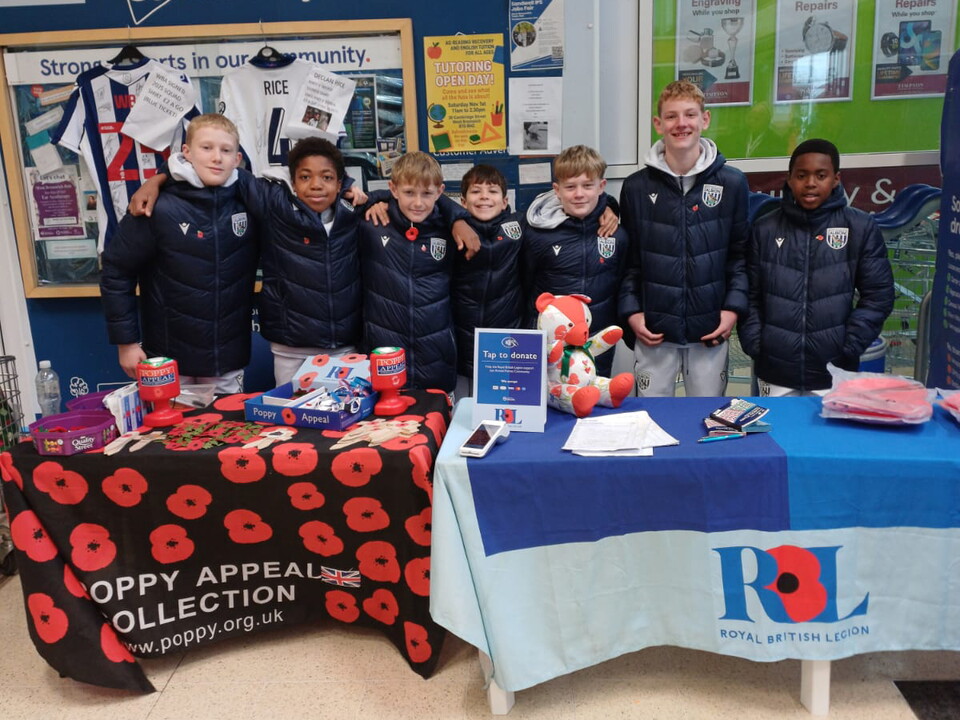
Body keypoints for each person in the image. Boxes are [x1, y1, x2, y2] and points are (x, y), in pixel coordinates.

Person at [129, 139, 478, 386]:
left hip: (346, 347)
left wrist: (458, 215)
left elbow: (415, 198)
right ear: (292, 183)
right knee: (299, 434)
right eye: (306, 177)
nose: (316, 185)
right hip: (290, 348)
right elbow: (220, 171)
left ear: (341, 183)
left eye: (327, 178)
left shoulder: (358, 214)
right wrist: (159, 178)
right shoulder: (276, 208)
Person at [100, 113, 258, 393]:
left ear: (237, 158)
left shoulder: (251, 200)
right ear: (186, 152)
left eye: (226, 150)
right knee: (168, 436)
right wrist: (126, 342)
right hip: (168, 362)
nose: (216, 158)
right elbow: (116, 270)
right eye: (206, 148)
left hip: (227, 361)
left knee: (228, 434)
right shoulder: (157, 206)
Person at [618, 80, 749, 397]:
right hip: (654, 330)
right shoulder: (636, 187)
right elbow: (628, 262)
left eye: (690, 115)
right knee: (651, 418)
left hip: (710, 330)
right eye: (672, 116)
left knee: (706, 418)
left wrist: (731, 311)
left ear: (705, 119)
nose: (681, 124)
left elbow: (740, 256)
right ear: (658, 124)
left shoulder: (732, 183)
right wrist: (633, 315)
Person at [738, 138, 894, 395]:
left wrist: (850, 344)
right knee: (775, 434)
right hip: (775, 370)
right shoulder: (764, 229)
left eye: (821, 175)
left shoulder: (859, 227)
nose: (810, 183)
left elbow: (879, 295)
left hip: (834, 372)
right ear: (789, 179)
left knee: (828, 436)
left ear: (836, 179)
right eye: (802, 175)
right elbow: (749, 294)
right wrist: (757, 343)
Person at [359, 151, 463, 393]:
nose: (418, 203)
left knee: (440, 425)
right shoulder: (372, 224)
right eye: (408, 193)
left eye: (427, 194)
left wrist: (459, 218)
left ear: (440, 192)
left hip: (437, 359)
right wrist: (373, 200)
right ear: (393, 190)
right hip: (385, 359)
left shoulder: (450, 230)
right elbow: (340, 202)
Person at [522, 144, 629, 377]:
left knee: (594, 400)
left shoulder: (616, 234)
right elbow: (524, 284)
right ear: (556, 190)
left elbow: (622, 281)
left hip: (597, 339)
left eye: (587, 186)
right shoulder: (536, 234)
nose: (579, 194)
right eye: (570, 187)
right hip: (549, 343)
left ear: (601, 187)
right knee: (550, 402)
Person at [452, 165, 524, 392]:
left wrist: (607, 206)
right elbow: (422, 203)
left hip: (506, 342)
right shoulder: (450, 231)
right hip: (460, 342)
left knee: (506, 412)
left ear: (505, 201)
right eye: (476, 191)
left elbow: (558, 203)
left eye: (492, 191)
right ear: (463, 202)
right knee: (464, 415)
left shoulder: (521, 227)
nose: (484, 196)